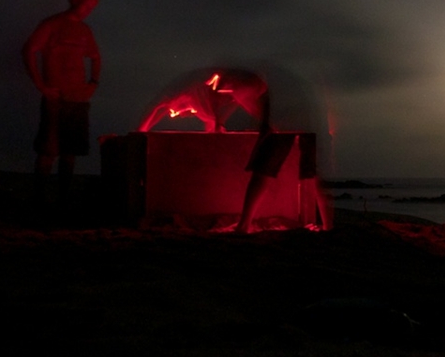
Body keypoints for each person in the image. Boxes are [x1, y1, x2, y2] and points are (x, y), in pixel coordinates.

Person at [137, 66, 333, 233]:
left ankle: (245, 225)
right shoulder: (239, 89)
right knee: (309, 174)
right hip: (298, 122)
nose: (180, 112)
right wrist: (218, 122)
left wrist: (224, 121)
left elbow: (239, 101)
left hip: (284, 122)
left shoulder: (237, 85)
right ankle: (327, 227)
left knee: (263, 171)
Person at [22, 0, 101, 212]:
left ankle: (62, 201)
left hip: (78, 99)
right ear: (73, 0)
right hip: (56, 98)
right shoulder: (52, 24)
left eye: (91, 7)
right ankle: (39, 200)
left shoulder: (85, 31)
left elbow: (96, 57)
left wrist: (93, 83)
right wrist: (41, 85)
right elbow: (29, 50)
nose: (87, 10)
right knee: (49, 149)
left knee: (70, 151)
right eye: (85, 4)